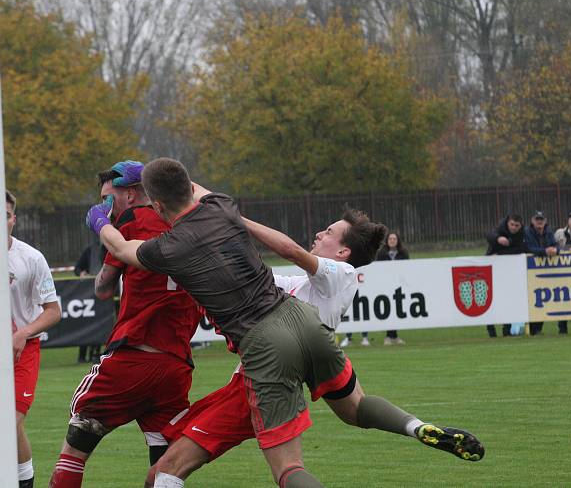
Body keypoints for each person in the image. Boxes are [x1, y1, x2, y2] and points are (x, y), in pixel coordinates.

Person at [86, 159, 484, 488]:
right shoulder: (223, 206)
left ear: (154, 205)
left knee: (278, 469)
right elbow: (199, 195)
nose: (320, 233)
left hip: (265, 351)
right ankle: (416, 427)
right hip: (302, 321)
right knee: (353, 406)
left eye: (329, 232)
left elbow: (121, 248)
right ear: (190, 187)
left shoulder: (168, 248)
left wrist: (100, 219)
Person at [49, 161, 203, 488]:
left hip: (135, 355)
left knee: (78, 435)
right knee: (165, 466)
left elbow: (103, 289)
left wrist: (106, 230)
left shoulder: (133, 221)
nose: (105, 206)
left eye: (109, 197)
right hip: (176, 365)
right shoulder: (191, 224)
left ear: (132, 195)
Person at [5, 190, 62, 488]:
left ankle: (21, 483)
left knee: (9, 423)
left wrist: (23, 333)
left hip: (23, 351)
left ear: (14, 219)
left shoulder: (31, 258)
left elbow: (53, 311)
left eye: (5, 215)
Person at [485, 214, 526, 337]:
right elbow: (489, 236)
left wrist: (499, 254)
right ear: (508, 223)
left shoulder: (522, 233)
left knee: (508, 299)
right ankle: (491, 330)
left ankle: (506, 330)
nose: (514, 228)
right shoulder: (500, 229)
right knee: (490, 300)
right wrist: (498, 239)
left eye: (516, 225)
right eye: (512, 224)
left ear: (520, 226)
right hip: (492, 269)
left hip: (509, 271)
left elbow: (519, 249)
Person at [524, 211, 565, 335]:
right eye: (537, 219)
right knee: (534, 300)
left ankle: (538, 330)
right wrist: (545, 251)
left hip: (546, 270)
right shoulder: (527, 232)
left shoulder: (549, 231)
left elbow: (556, 246)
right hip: (531, 271)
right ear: (532, 220)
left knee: (543, 300)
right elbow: (528, 248)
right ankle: (533, 329)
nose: (539, 222)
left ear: (545, 221)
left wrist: (555, 250)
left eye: (541, 219)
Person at [73, 238, 105, 363]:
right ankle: (82, 356)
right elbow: (77, 268)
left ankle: (95, 354)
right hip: (88, 295)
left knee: (99, 326)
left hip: (103, 297)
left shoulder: (110, 250)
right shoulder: (90, 251)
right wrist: (81, 273)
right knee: (86, 325)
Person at [375, 231, 409, 345]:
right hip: (386, 286)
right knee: (388, 308)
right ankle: (388, 336)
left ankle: (395, 336)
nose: (392, 241)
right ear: (387, 241)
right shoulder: (381, 254)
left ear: (397, 240)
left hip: (399, 285)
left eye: (394, 239)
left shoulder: (403, 253)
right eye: (390, 239)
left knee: (397, 309)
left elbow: (408, 267)